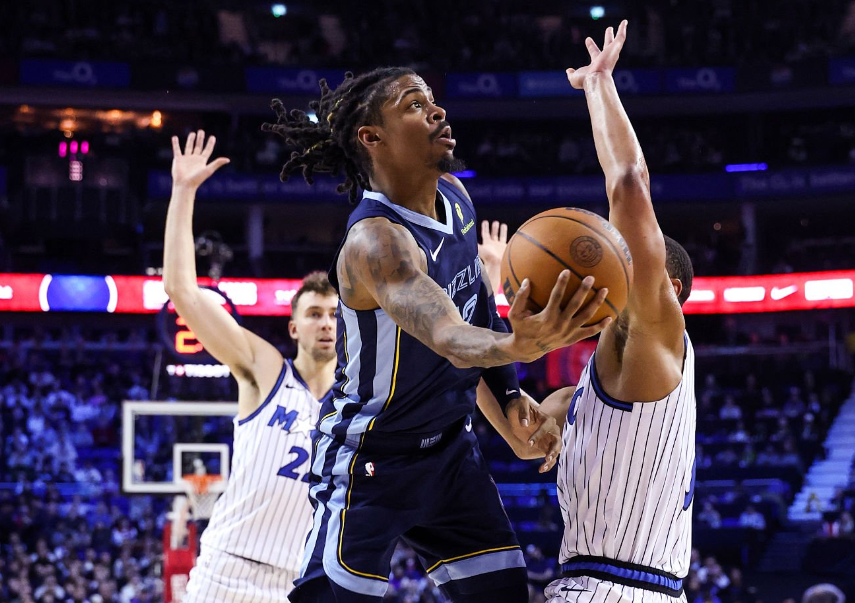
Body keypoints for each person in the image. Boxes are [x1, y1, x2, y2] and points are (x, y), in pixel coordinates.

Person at [263, 68, 610, 602]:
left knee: (503, 596)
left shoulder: (456, 197)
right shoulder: (376, 243)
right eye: (413, 105)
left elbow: (479, 311)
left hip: (450, 452)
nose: (437, 111)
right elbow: (448, 335)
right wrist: (522, 345)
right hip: (370, 458)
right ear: (372, 137)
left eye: (432, 100)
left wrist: (510, 396)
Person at [526, 22, 697, 601]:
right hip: (602, 584)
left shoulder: (656, 332)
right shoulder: (602, 376)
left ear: (666, 285)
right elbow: (554, 412)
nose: (604, 263)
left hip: (617, 588)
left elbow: (629, 184)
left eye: (622, 257)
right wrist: (547, 418)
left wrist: (600, 86)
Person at [163, 132, 339, 601]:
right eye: (314, 314)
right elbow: (181, 290)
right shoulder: (266, 370)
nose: (326, 323)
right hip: (227, 573)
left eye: (334, 315)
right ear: (294, 328)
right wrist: (183, 191)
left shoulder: (358, 400)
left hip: (299, 586)